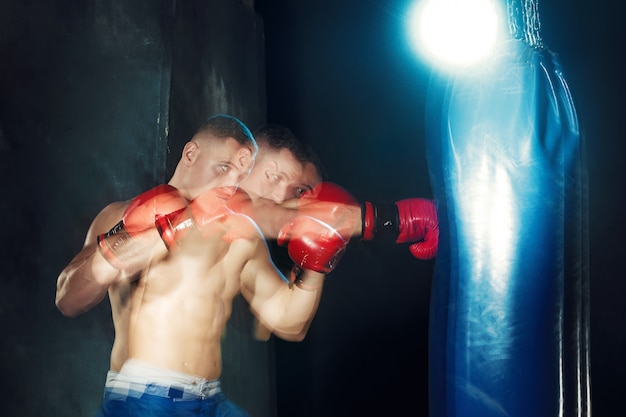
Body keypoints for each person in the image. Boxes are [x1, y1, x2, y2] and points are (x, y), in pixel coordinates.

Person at [56, 115, 357, 417]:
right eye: (225, 168)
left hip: (209, 399)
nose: (231, 184)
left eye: (242, 173)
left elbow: (287, 320)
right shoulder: (123, 214)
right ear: (191, 155)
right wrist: (166, 228)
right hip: (145, 398)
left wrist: (316, 266)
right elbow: (68, 300)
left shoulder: (242, 236)